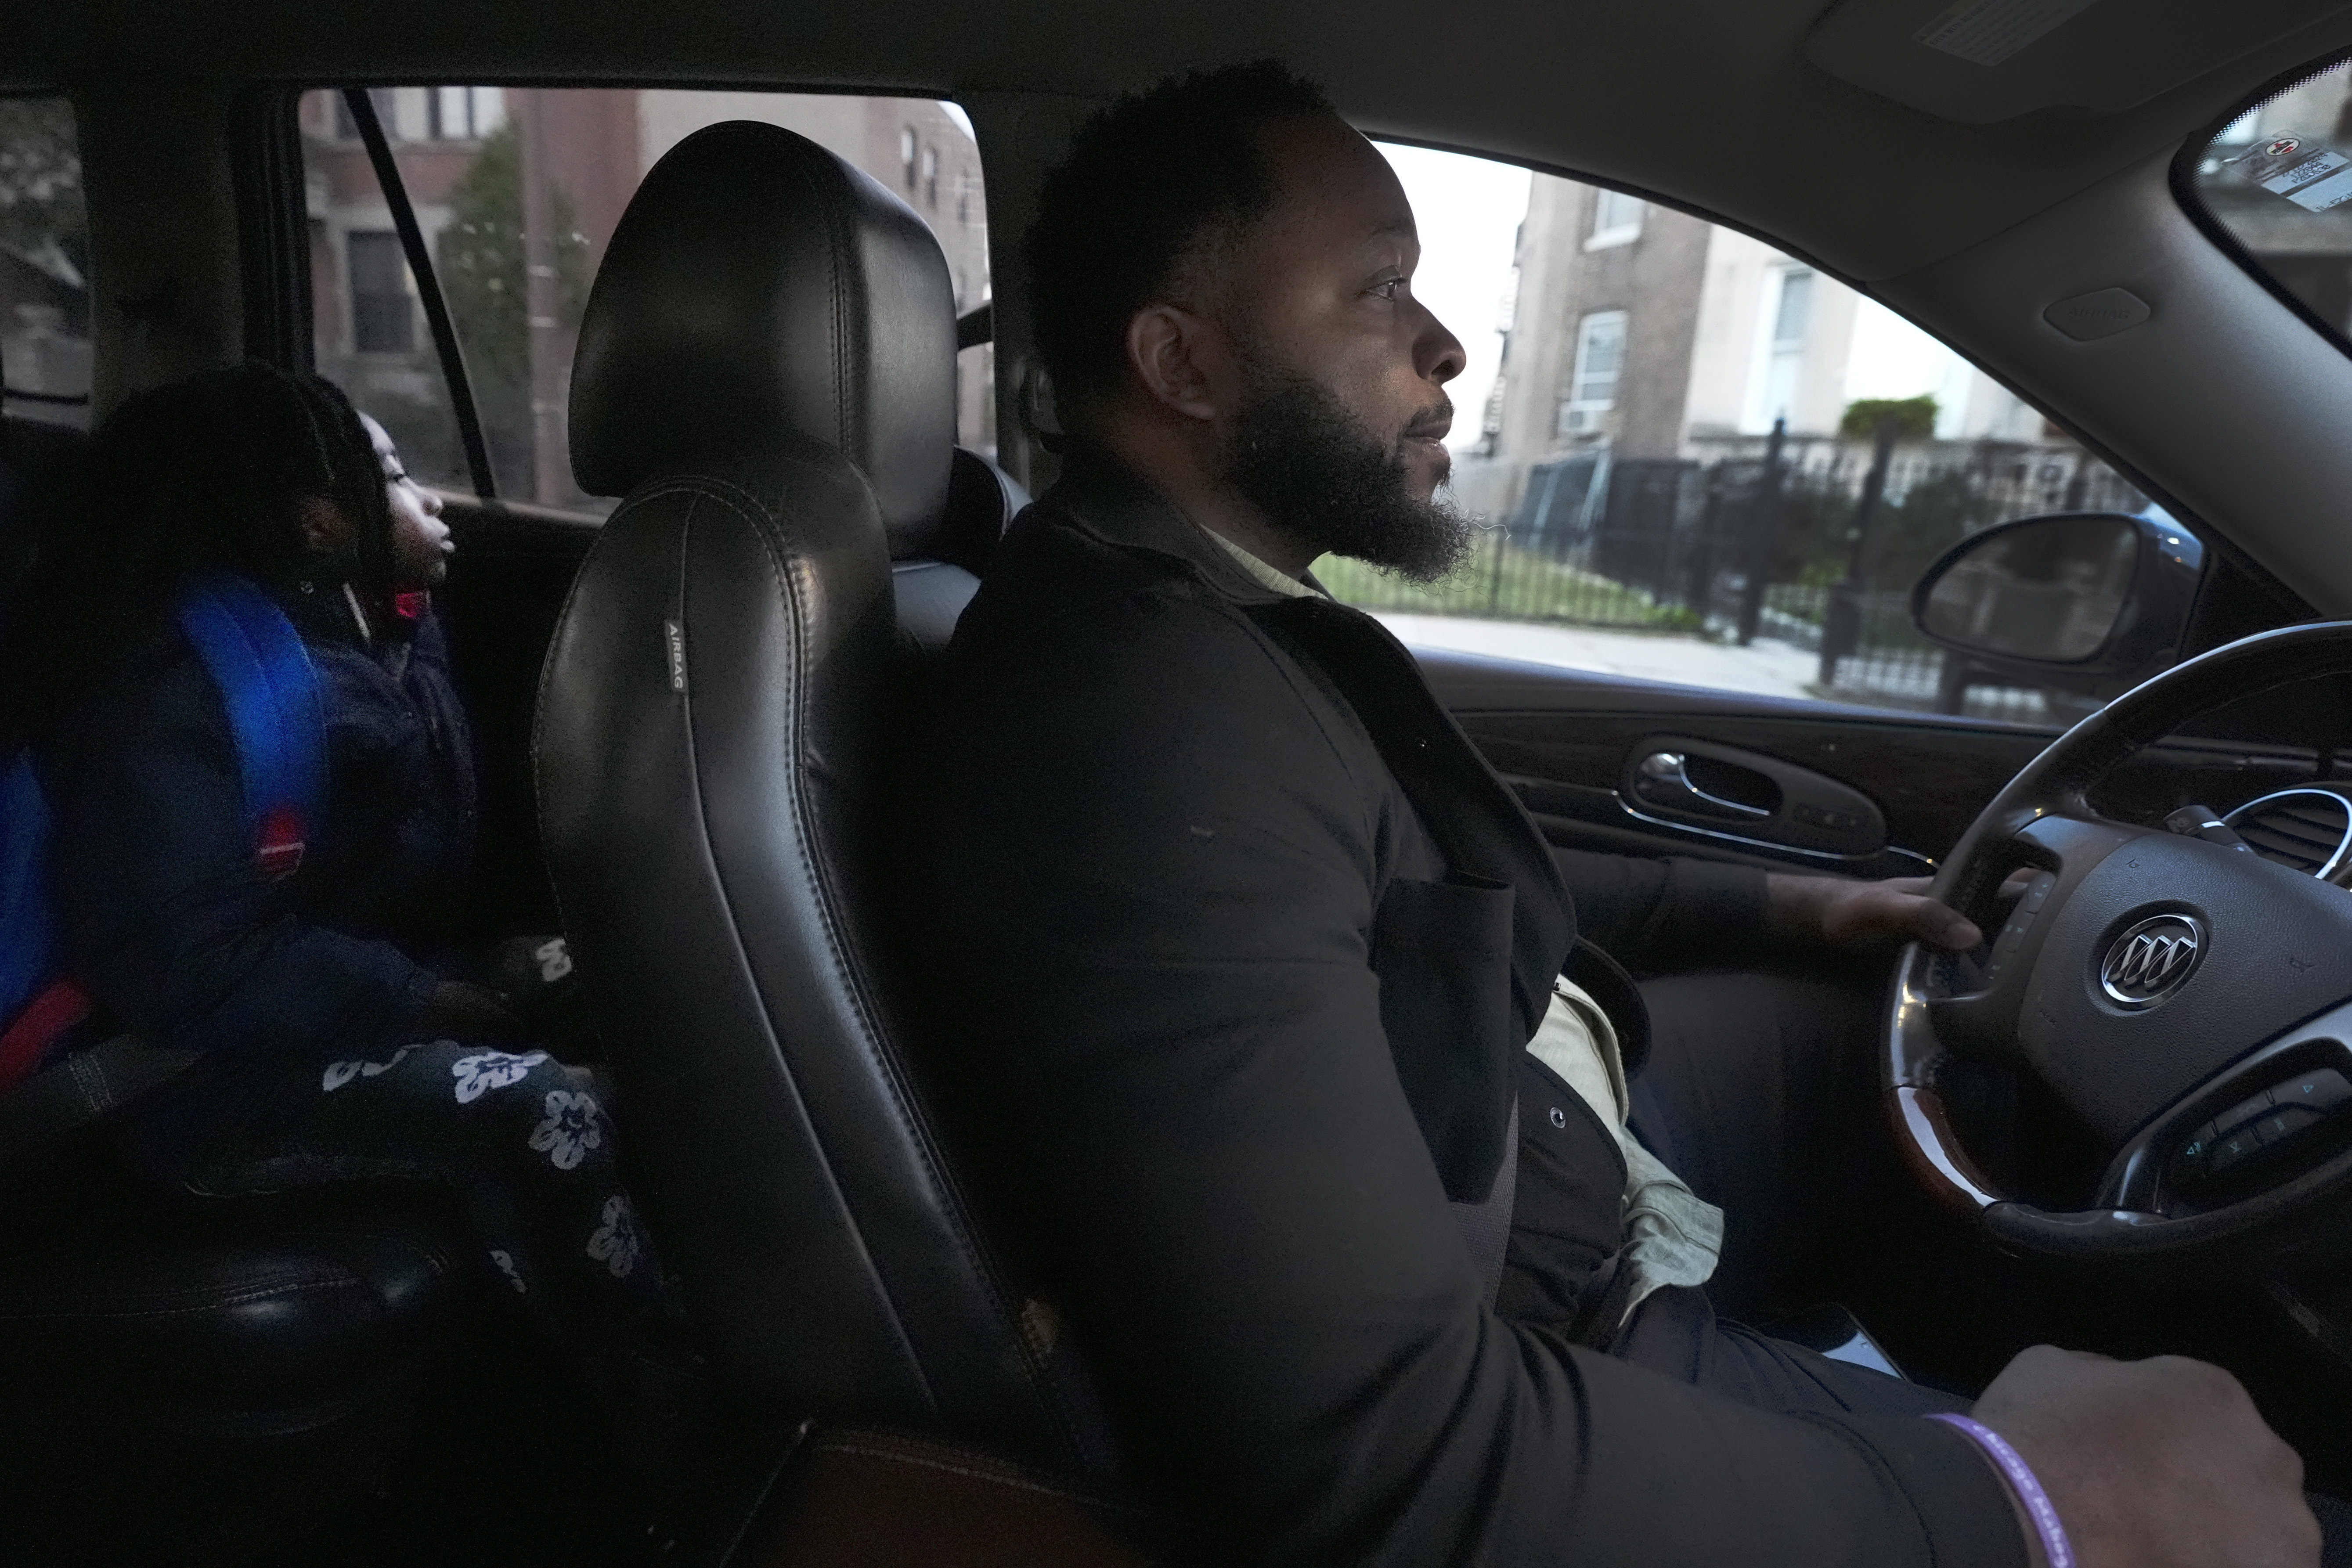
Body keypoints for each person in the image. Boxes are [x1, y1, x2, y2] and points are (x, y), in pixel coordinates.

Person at [915, 63, 2324, 1567]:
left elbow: (1435, 882)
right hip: (1550, 1300)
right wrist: (2036, 1506)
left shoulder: (1204, 611)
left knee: (1892, 1043)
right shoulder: (1138, 728)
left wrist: (1783, 907)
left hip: (1536, 1110)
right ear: (1182, 366)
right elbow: (1386, 1453)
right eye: (1377, 291)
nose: (1444, 345)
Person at [3, 364, 666, 1378]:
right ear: (318, 522)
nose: (431, 498)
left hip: (311, 1012)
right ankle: (661, 1410)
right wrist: (426, 999)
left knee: (628, 976)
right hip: (188, 1086)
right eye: (397, 475)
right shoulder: (182, 699)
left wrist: (480, 980)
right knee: (537, 1108)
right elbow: (181, 960)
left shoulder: (381, 627)